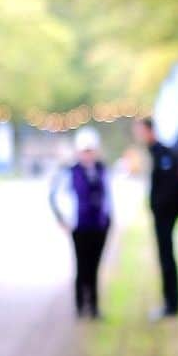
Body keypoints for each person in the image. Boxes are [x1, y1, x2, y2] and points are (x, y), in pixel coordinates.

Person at [49, 125, 112, 318]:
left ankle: (93, 305)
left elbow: (108, 196)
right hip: (80, 225)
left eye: (90, 151)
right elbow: (55, 196)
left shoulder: (101, 170)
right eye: (85, 151)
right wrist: (63, 219)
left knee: (94, 266)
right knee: (82, 265)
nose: (88, 155)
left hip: (98, 225)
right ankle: (80, 304)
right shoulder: (70, 172)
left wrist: (108, 218)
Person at [135, 116, 178, 319]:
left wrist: (160, 208)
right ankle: (169, 301)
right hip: (162, 214)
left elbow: (169, 187)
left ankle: (172, 304)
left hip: (165, 215)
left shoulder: (162, 153)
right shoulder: (155, 153)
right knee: (165, 257)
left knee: (167, 258)